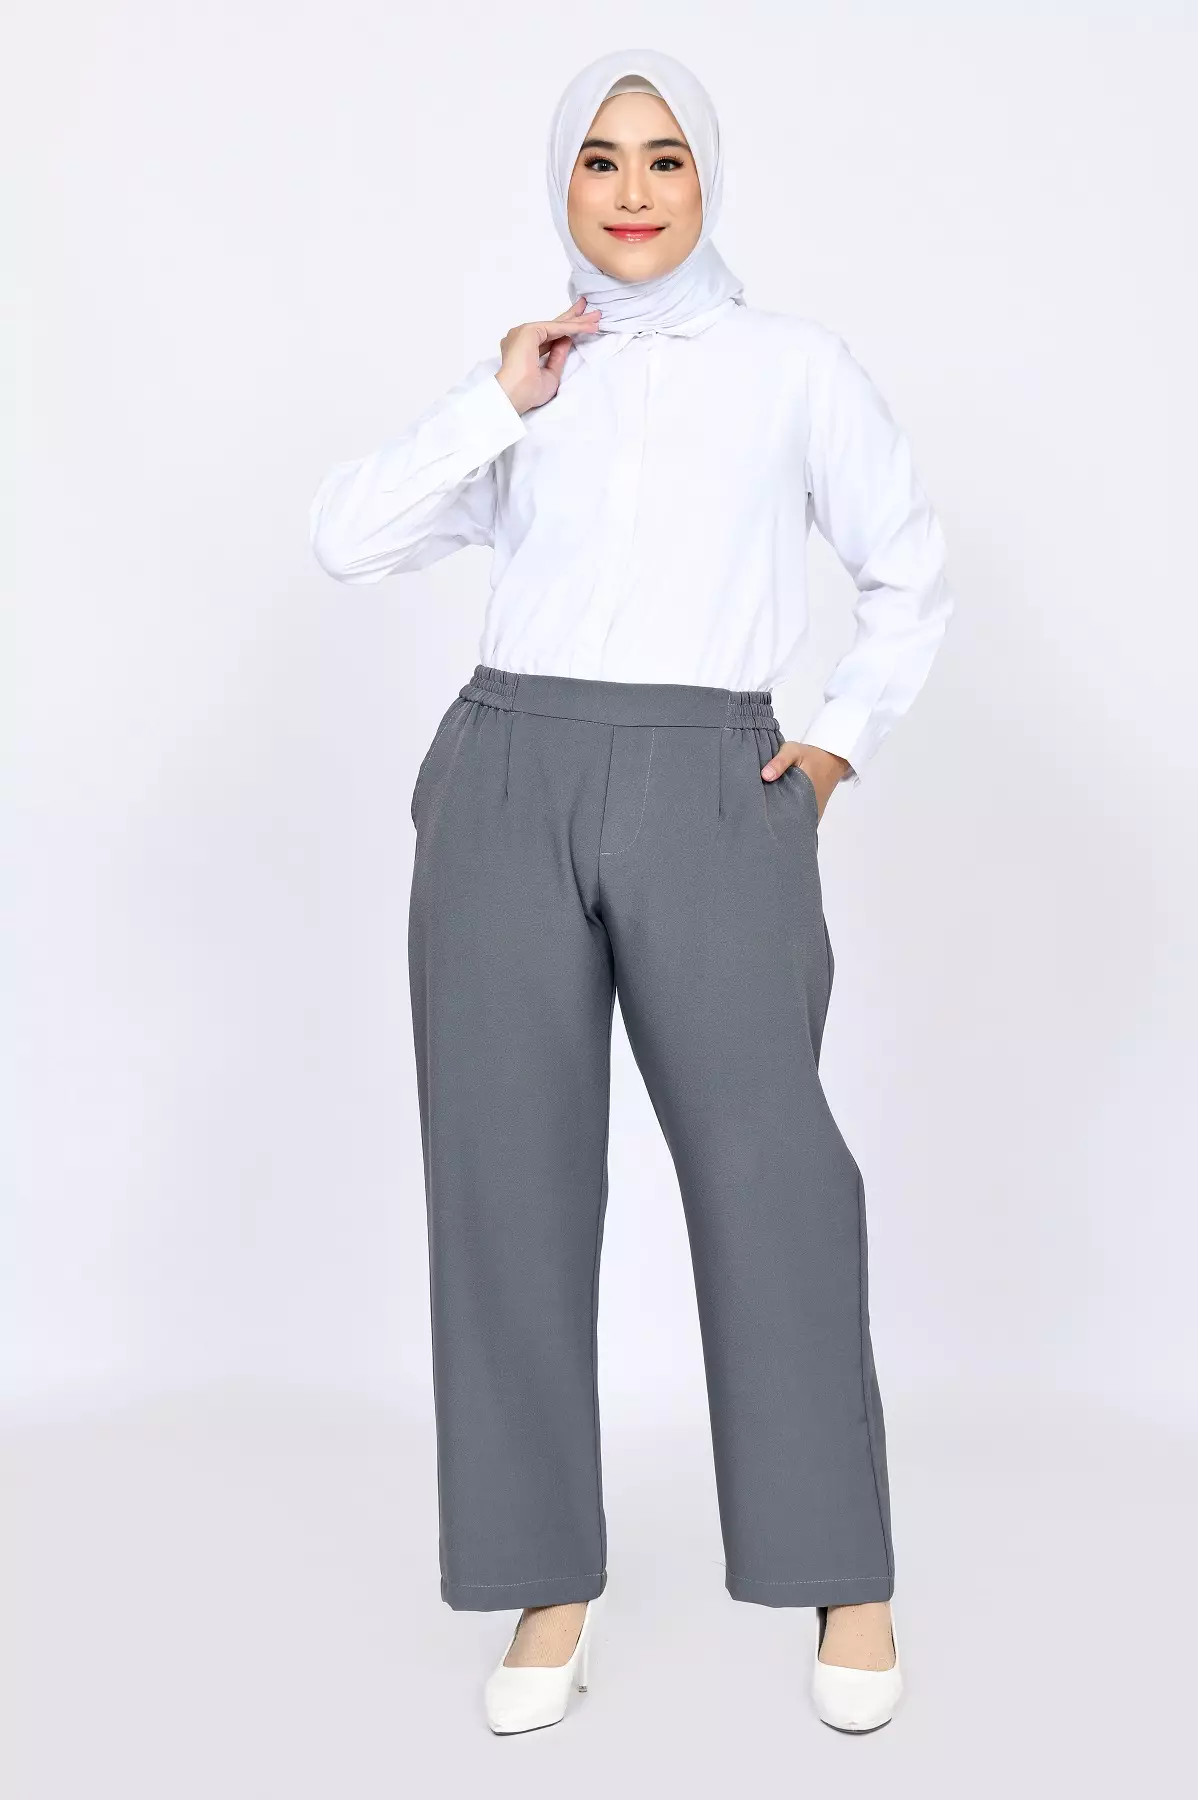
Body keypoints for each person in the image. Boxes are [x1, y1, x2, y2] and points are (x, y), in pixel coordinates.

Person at [309, 46, 952, 1736]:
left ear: (705, 176)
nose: (634, 189)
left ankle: (844, 1573)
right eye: (600, 160)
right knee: (504, 1189)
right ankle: (548, 1584)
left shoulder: (795, 368)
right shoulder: (534, 382)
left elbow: (907, 574)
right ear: (564, 185)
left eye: (663, 157)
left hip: (710, 782)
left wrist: (828, 753)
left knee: (771, 1180)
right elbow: (348, 538)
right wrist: (494, 401)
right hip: (505, 775)